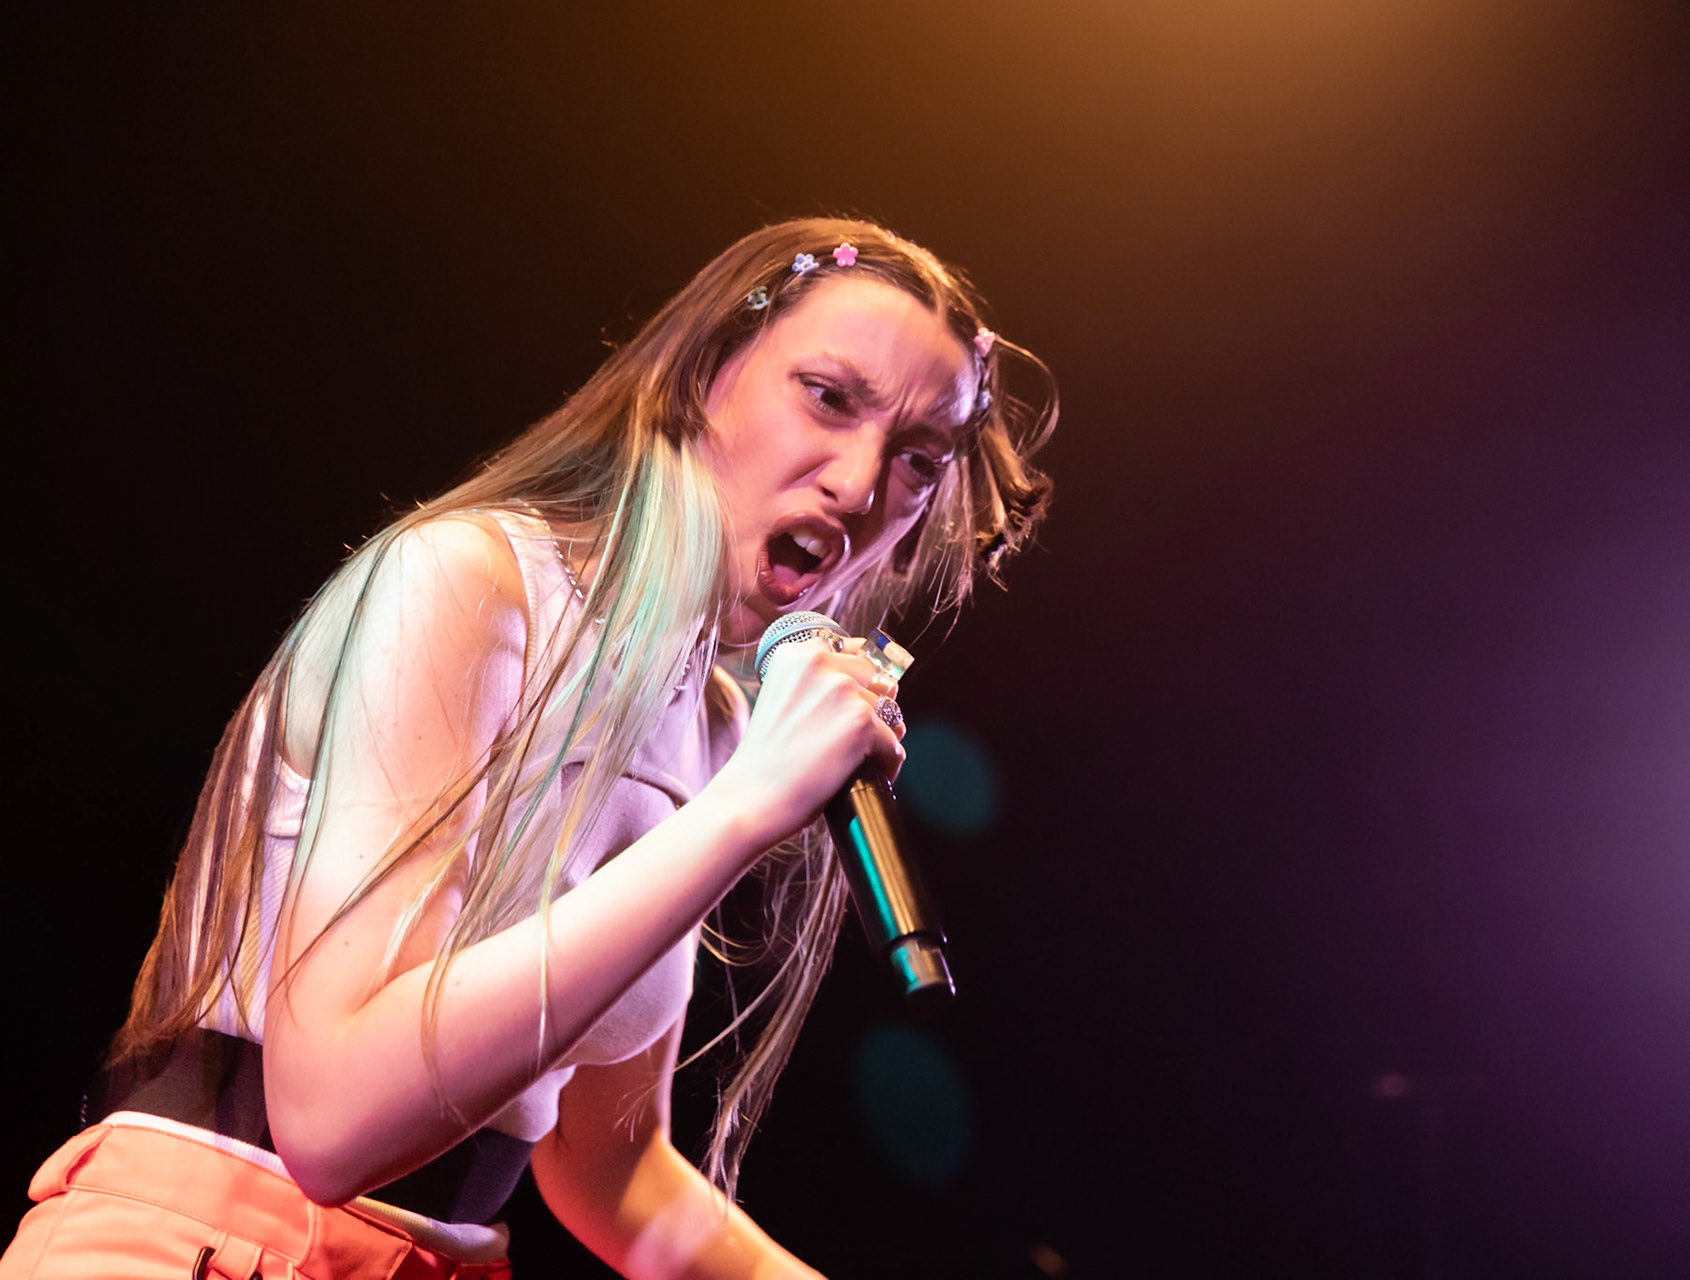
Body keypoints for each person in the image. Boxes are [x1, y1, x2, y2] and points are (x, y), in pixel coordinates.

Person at [1, 217, 1053, 1279]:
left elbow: (610, 1169)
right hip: (208, 1244)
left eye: (920, 459)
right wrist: (746, 811)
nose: (862, 483)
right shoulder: (467, 584)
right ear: (701, 376)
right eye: (827, 396)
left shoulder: (715, 728)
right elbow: (331, 1122)